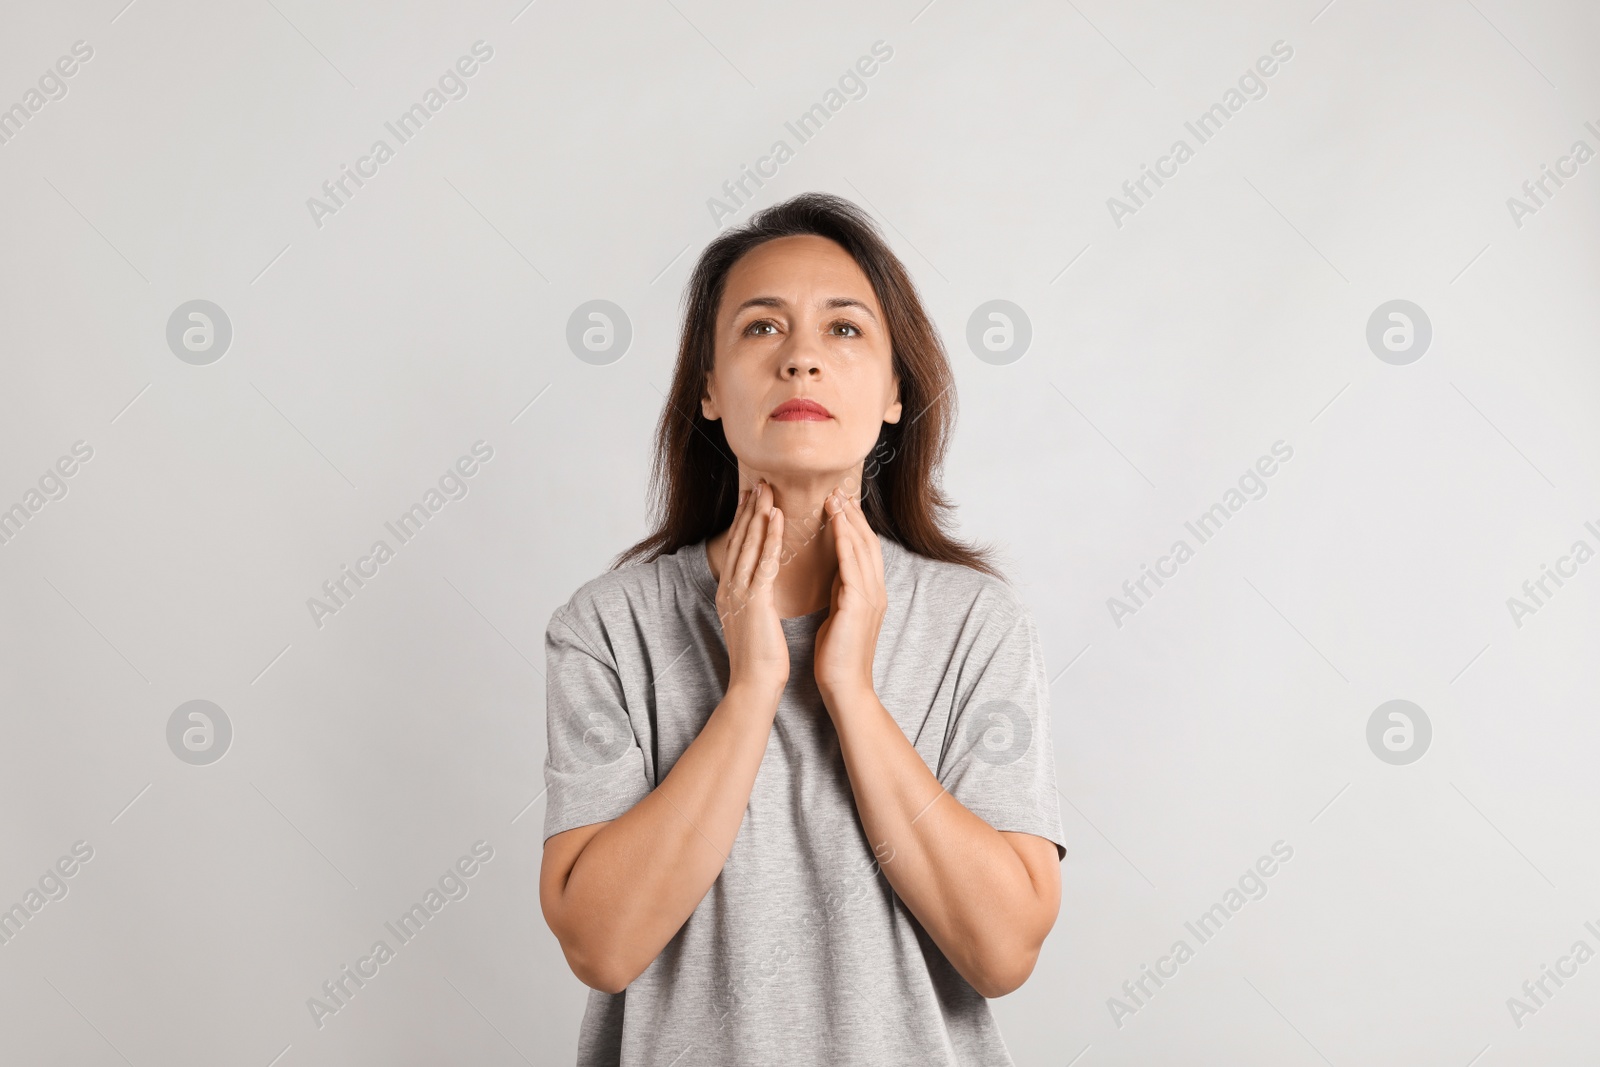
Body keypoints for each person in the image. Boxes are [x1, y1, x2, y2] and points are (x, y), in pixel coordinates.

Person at [538, 191, 1066, 1066]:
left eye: (845, 330)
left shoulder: (978, 625)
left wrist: (850, 690)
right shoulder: (608, 626)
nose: (802, 361)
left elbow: (1003, 948)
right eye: (760, 328)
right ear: (707, 389)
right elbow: (602, 944)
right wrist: (749, 690)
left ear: (897, 391)